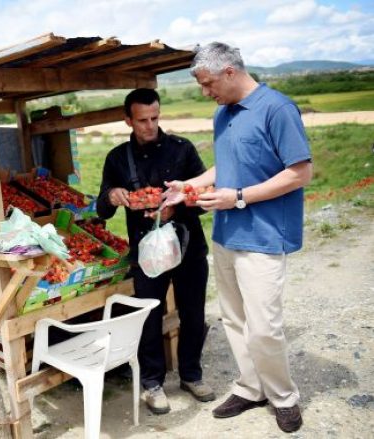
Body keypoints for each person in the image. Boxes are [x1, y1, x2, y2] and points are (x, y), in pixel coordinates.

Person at [164, 42, 312, 433]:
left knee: (264, 326)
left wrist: (240, 197)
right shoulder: (223, 114)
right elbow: (226, 162)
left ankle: (284, 397)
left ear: (230, 72)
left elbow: (299, 173)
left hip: (263, 236)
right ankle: (251, 388)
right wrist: (189, 186)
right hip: (226, 234)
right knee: (234, 319)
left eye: (207, 83)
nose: (204, 92)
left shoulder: (277, 109)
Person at [96, 88, 215, 415]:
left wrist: (177, 209)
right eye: (142, 120)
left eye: (155, 118)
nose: (150, 125)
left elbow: (204, 198)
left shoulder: (182, 150)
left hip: (188, 245)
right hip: (146, 254)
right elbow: (102, 210)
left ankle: (191, 375)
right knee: (149, 314)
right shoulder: (118, 158)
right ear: (128, 120)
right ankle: (152, 384)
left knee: (193, 312)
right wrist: (113, 195)